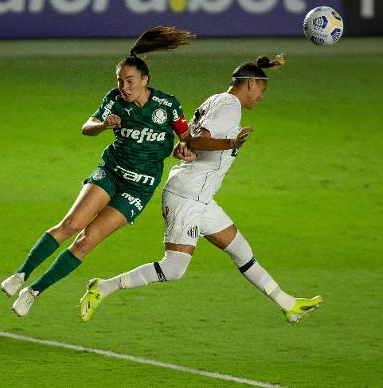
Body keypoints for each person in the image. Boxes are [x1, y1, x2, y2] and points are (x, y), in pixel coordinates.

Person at [1, 26, 242, 316]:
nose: (124, 88)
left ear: (145, 79)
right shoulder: (114, 101)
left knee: (87, 241)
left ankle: (33, 292)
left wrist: (189, 149)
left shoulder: (167, 105)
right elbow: (86, 127)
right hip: (111, 173)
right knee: (72, 224)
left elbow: (187, 139)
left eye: (130, 81)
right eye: (120, 82)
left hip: (139, 188)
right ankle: (21, 274)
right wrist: (104, 125)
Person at [79, 54, 323, 324]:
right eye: (262, 90)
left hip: (201, 196)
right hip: (188, 195)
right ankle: (103, 287)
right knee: (174, 268)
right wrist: (230, 143)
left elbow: (187, 142)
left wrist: (188, 148)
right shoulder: (230, 105)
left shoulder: (216, 100)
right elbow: (198, 141)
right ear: (250, 84)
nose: (261, 97)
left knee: (241, 250)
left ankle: (288, 304)